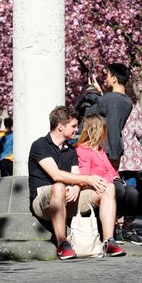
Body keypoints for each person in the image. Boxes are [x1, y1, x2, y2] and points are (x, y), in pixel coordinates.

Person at [29, 106, 125, 259]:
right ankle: (62, 243)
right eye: (73, 126)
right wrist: (86, 180)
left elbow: (76, 175)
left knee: (109, 187)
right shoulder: (40, 145)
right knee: (59, 186)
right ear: (60, 127)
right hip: (44, 200)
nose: (77, 129)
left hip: (69, 198)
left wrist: (76, 186)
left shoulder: (70, 149)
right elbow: (56, 175)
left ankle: (108, 241)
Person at [75, 115, 140, 245]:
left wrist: (117, 178)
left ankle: (127, 227)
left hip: (109, 181)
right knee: (119, 191)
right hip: (96, 185)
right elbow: (86, 173)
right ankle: (113, 226)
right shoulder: (82, 150)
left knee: (133, 192)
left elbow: (110, 169)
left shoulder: (99, 149)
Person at [84, 63, 133, 168]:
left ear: (114, 79)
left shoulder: (110, 99)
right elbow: (109, 111)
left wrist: (90, 92)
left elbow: (88, 113)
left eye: (107, 76)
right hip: (116, 147)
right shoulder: (127, 101)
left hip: (104, 148)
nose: (106, 79)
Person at [116, 101, 142, 245]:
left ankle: (115, 225)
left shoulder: (113, 105)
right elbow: (140, 130)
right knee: (131, 187)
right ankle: (127, 226)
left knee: (116, 187)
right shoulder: (135, 108)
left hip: (116, 150)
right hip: (131, 153)